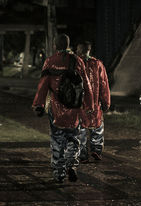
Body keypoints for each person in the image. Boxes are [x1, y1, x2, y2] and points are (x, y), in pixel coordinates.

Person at [32, 34, 94, 183]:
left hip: (56, 108)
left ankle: (59, 172)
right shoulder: (78, 61)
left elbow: (43, 85)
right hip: (74, 108)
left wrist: (39, 105)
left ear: (55, 46)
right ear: (68, 45)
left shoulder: (50, 62)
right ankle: (72, 164)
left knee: (57, 140)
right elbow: (86, 84)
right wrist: (89, 105)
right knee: (73, 138)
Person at [76, 41, 110, 162]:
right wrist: (106, 102)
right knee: (97, 127)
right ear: (89, 50)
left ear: (78, 50)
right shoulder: (98, 64)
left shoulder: (75, 64)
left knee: (81, 129)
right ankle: (96, 150)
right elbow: (104, 84)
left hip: (80, 104)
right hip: (95, 104)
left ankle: (82, 154)